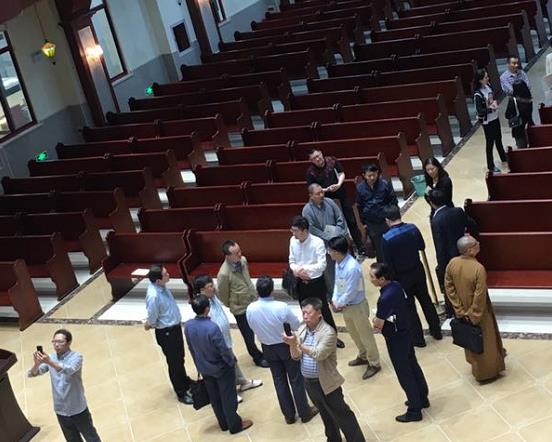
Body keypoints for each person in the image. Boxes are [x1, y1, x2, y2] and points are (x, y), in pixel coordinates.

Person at [283, 298, 366, 442]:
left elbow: (319, 354)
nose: (305, 316)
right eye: (303, 313)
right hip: (310, 383)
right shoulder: (302, 329)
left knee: (342, 414)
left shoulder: (328, 332)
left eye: (308, 313)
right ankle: (333, 439)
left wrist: (298, 345)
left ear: (319, 313)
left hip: (327, 383)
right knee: (325, 414)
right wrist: (292, 345)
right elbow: (296, 357)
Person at [246, 275, 319, 424]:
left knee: (279, 381)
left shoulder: (250, 308)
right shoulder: (281, 307)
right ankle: (304, 412)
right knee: (296, 379)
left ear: (257, 291)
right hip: (285, 345)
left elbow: (251, 326)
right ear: (272, 290)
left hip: (267, 347)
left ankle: (289, 415)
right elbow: (296, 324)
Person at [184, 295, 253, 434]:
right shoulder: (212, 328)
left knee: (214, 397)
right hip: (220, 368)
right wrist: (230, 362)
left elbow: (191, 347)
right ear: (207, 309)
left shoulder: (188, 326)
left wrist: (198, 364)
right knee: (228, 396)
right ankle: (234, 425)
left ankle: (223, 423)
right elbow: (223, 350)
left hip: (204, 368)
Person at [369, 263, 429, 423]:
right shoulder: (396, 285)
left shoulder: (384, 298)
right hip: (406, 331)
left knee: (404, 373)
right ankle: (422, 397)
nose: (370, 280)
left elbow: (378, 324)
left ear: (382, 279)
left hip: (395, 338)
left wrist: (374, 320)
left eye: (372, 277)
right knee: (413, 365)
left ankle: (414, 410)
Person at [445, 236, 506, 383]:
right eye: (475, 244)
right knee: (486, 341)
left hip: (463, 310)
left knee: (471, 342)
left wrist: (459, 310)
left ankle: (476, 368)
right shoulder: (478, 268)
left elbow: (449, 288)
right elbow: (480, 295)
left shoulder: (452, 263)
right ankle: (487, 373)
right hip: (479, 312)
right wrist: (473, 314)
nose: (478, 244)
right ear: (470, 250)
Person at [192, 274, 263, 401]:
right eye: (210, 286)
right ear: (202, 290)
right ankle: (229, 394)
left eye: (212, 284)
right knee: (226, 368)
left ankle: (243, 382)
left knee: (232, 361)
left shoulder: (213, 297)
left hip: (225, 339)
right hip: (217, 342)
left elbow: (223, 299)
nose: (213, 288)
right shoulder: (202, 305)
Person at [381, 205, 441, 347]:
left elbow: (388, 263)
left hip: (401, 277)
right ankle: (436, 331)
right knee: (426, 300)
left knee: (410, 308)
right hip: (417, 270)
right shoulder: (412, 228)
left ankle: (419, 339)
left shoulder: (386, 238)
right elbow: (422, 246)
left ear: (387, 220)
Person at [28, 329, 102, 442]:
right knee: (72, 439)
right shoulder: (51, 358)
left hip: (78, 408)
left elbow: (69, 370)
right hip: (61, 409)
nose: (56, 344)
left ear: (68, 342)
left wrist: (49, 362)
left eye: (60, 342)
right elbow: (32, 374)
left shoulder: (77, 357)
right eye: (54, 341)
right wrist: (36, 364)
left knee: (91, 438)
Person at [327, 235, 381, 380]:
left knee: (365, 335)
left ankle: (374, 363)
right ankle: (363, 355)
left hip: (356, 306)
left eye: (330, 250)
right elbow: (338, 284)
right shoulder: (339, 263)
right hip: (346, 306)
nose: (328, 253)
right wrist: (334, 299)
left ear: (337, 252)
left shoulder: (352, 267)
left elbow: (351, 291)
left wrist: (339, 303)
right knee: (354, 333)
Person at [289, 215, 345, 348]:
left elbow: (322, 265)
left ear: (304, 231)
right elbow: (291, 260)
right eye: (292, 230)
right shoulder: (292, 240)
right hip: (300, 282)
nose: (293, 233)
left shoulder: (317, 242)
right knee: (306, 311)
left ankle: (333, 336)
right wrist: (296, 270)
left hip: (316, 283)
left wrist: (304, 270)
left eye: (295, 231)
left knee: (323, 309)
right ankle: (313, 336)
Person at [144, 264, 193, 404]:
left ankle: (184, 380)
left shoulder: (162, 286)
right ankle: (181, 391)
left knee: (180, 357)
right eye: (165, 274)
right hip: (167, 333)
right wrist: (149, 324)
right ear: (158, 280)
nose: (168, 274)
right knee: (174, 362)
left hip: (174, 329)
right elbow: (152, 317)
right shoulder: (154, 296)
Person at [306, 149, 368, 256]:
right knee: (334, 225)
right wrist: (325, 190)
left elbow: (341, 173)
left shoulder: (332, 160)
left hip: (341, 193)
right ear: (311, 160)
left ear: (321, 153)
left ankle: (360, 246)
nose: (318, 159)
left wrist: (338, 184)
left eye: (318, 155)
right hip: (325, 198)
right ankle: (344, 250)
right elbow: (312, 188)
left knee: (351, 221)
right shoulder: (310, 172)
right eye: (314, 158)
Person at [217, 240, 269, 368]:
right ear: (228, 256)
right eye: (236, 253)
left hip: (252, 301)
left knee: (261, 328)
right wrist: (234, 304)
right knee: (248, 335)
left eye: (239, 251)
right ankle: (257, 357)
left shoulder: (243, 260)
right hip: (240, 308)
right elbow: (223, 295)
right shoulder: (223, 274)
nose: (240, 254)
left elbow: (247, 278)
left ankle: (267, 352)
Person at [428, 189, 479, 317]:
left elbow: (439, 247)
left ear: (431, 203)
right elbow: (473, 225)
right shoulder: (458, 211)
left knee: (454, 288)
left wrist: (442, 268)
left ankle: (456, 312)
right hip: (465, 253)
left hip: (450, 259)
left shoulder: (436, 220)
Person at [302, 183, 348, 298]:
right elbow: (312, 229)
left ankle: (346, 294)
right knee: (331, 274)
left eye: (322, 192)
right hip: (325, 247)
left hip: (338, 243)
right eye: (318, 194)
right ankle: (335, 297)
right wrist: (329, 237)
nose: (322, 195)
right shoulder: (307, 210)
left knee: (344, 270)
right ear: (311, 196)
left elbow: (340, 218)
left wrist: (338, 232)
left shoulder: (330, 202)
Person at [356, 162, 398, 262]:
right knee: (379, 248)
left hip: (385, 220)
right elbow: (360, 206)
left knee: (391, 243)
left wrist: (391, 217)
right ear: (364, 175)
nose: (372, 178)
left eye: (374, 175)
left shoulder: (385, 184)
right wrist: (363, 223)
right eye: (369, 175)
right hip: (371, 223)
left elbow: (393, 201)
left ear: (377, 173)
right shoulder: (360, 188)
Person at [474, 68, 507, 173]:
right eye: (485, 77)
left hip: (495, 117)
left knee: (498, 139)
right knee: (490, 143)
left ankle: (503, 157)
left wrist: (495, 103)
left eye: (487, 76)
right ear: (480, 80)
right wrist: (490, 109)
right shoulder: (478, 94)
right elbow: (479, 111)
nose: (488, 78)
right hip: (487, 122)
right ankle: (491, 165)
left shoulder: (488, 86)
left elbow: (492, 98)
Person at [505, 80, 533, 148]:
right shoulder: (528, 97)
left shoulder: (513, 100)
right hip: (529, 125)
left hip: (518, 129)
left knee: (522, 149)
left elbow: (507, 115)